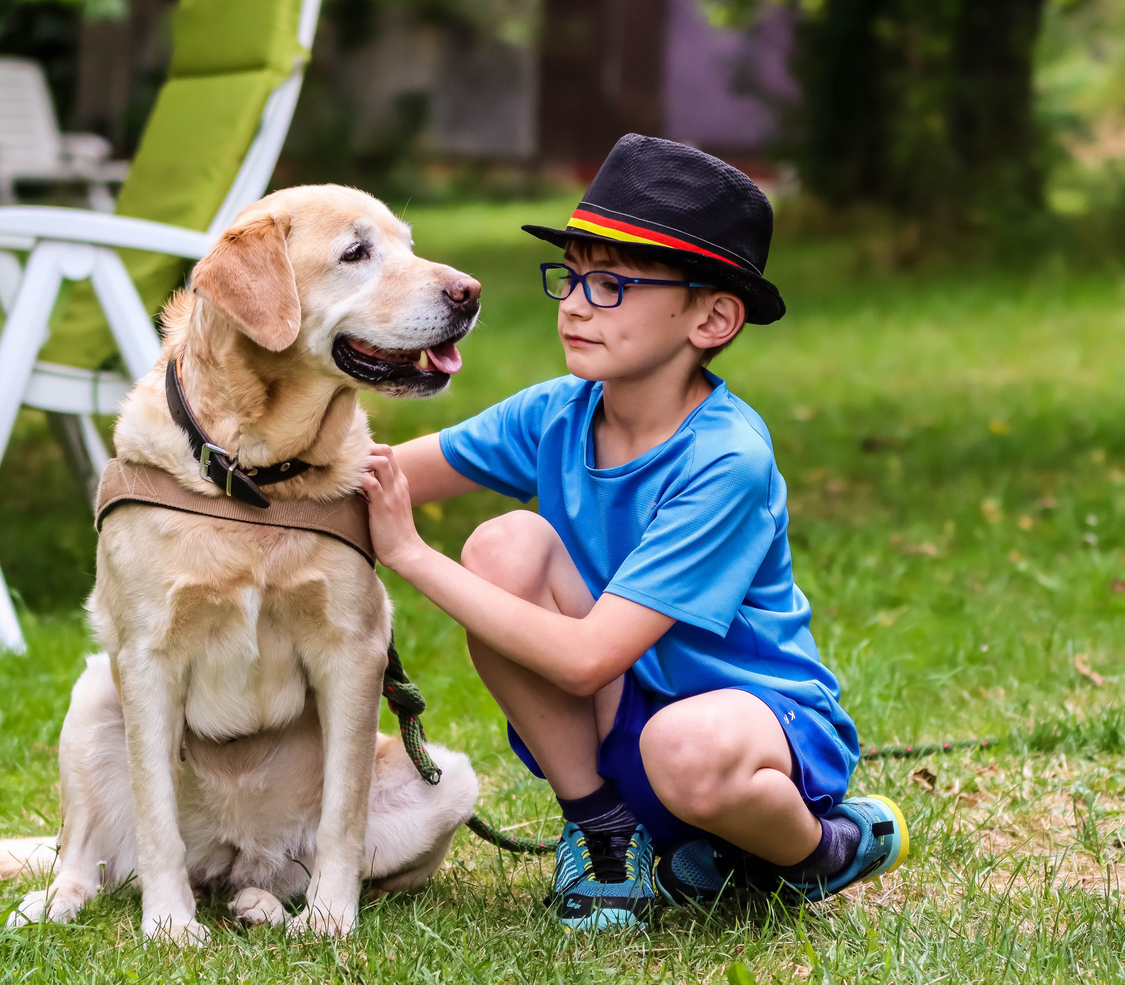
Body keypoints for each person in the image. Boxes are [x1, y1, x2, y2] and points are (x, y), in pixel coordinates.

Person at [360, 135, 908, 930]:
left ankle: (816, 849)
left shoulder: (726, 458)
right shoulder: (557, 412)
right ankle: (608, 833)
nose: (577, 304)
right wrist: (230, 466)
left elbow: (584, 662)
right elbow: (373, 475)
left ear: (713, 316)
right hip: (624, 728)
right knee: (502, 548)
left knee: (685, 751)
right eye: (572, 278)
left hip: (746, 732)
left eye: (613, 284)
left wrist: (408, 553)